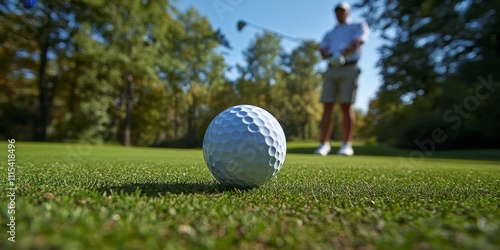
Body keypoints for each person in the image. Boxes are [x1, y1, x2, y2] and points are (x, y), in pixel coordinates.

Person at [314, 2, 369, 156]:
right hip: (331, 70)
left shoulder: (358, 26)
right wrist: (328, 55)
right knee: (327, 106)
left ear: (348, 12)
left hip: (350, 67)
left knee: (346, 105)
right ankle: (324, 144)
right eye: (337, 12)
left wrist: (343, 54)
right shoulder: (329, 34)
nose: (340, 14)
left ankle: (346, 144)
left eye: (343, 11)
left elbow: (359, 42)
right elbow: (323, 52)